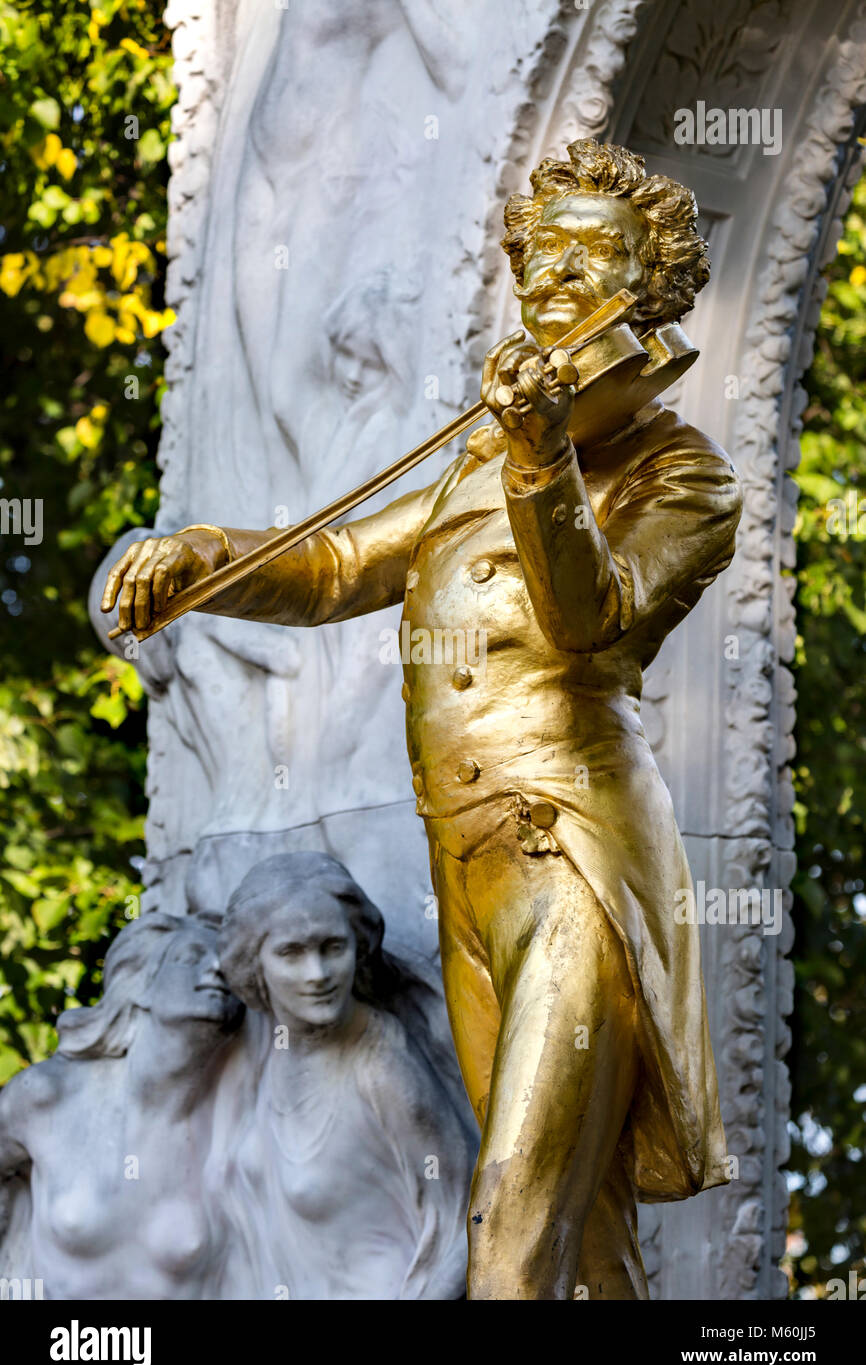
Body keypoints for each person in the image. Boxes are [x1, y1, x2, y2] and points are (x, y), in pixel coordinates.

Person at [102, 138, 743, 1299]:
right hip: (467, 870)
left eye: (590, 256)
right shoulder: (474, 463)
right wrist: (202, 557)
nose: (553, 275)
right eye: (540, 254)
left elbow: (588, 617)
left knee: (506, 1213)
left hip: (573, 851)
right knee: (584, 1234)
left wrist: (541, 453)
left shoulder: (680, 477)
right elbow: (336, 563)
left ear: (645, 293)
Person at [211, 852, 475, 1300]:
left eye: (333, 948)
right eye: (291, 953)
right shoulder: (269, 1052)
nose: (317, 974)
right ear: (255, 966)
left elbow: (473, 1221)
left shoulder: (381, 1065)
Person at [0, 914, 243, 1299]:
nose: (215, 968)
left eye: (225, 964)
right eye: (189, 957)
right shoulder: (46, 1096)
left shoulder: (241, 1121)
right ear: (140, 986)